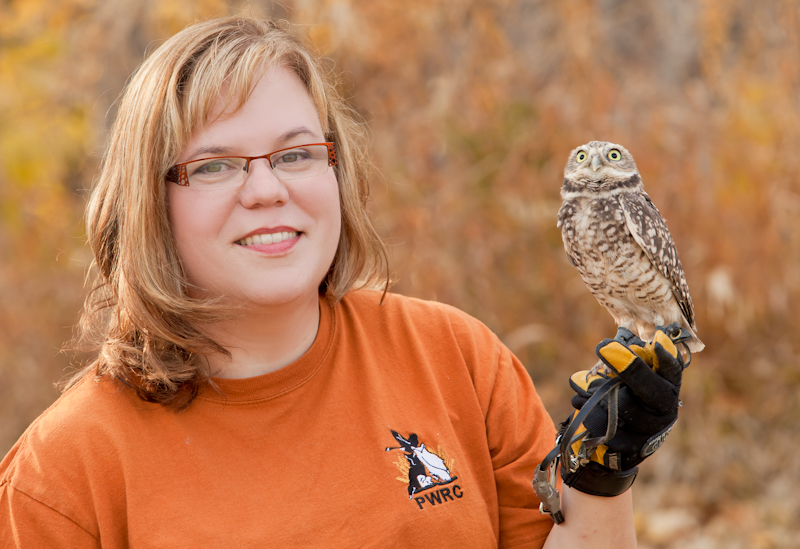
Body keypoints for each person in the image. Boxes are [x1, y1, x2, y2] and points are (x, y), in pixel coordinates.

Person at [0, 16, 684, 548]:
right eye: (214, 165)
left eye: (296, 153)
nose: (267, 189)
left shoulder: (455, 358)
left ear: (336, 171)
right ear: (150, 202)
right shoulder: (62, 472)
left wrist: (602, 474)